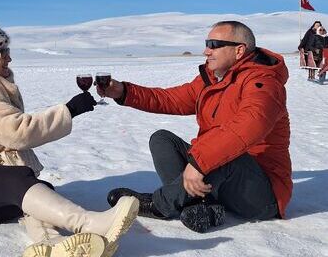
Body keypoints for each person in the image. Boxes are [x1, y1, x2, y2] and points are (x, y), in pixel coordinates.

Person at [0, 21, 139, 257]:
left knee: (38, 192)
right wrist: (69, 110)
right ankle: (89, 223)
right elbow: (17, 133)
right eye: (3, 52)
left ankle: (51, 244)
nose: (9, 58)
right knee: (16, 181)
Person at [96, 21, 292, 233]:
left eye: (214, 44)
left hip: (262, 195)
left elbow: (252, 123)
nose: (206, 51)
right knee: (162, 139)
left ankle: (160, 204)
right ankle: (202, 206)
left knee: (221, 155)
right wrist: (124, 91)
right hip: (224, 180)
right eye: (207, 43)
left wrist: (199, 163)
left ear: (239, 50)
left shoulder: (263, 82)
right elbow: (170, 99)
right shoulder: (214, 79)